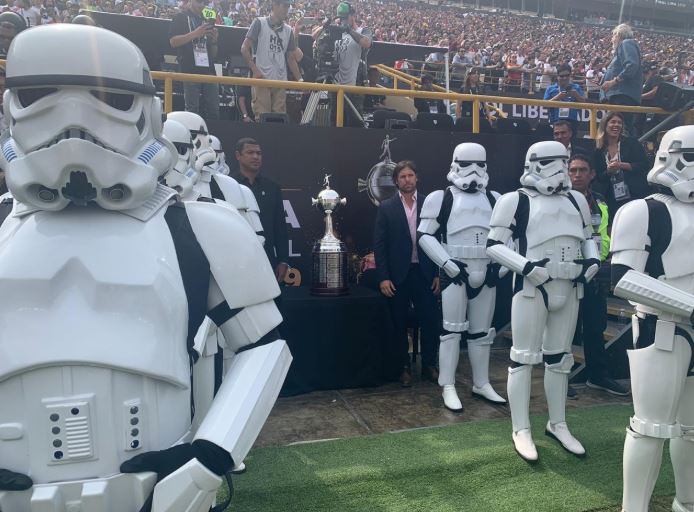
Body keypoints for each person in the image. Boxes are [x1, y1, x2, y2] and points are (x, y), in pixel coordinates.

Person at [0, 23, 291, 511]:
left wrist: (209, 458)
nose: (74, 122)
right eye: (40, 96)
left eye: (108, 99)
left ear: (149, 113)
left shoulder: (198, 227)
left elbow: (264, 348)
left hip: (161, 489)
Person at [487, 141, 600, 462]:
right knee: (523, 358)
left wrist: (592, 262)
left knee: (560, 359)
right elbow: (494, 245)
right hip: (531, 286)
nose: (562, 169)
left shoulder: (577, 200)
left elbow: (589, 237)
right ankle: (520, 427)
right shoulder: (515, 200)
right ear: (534, 162)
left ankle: (558, 422)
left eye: (565, 162)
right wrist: (525, 267)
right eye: (554, 162)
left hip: (569, 284)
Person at [610, 125, 694, 512]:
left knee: (692, 431)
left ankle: (687, 501)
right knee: (650, 428)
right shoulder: (642, 210)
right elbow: (623, 279)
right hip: (661, 329)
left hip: (681, 330)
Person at [417, 143, 507, 411]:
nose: (474, 171)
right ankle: (448, 384)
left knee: (481, 333)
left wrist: (500, 267)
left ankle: (481, 383)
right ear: (455, 164)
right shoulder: (440, 198)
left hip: (486, 269)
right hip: (455, 272)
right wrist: (446, 263)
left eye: (480, 165)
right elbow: (424, 235)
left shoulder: (495, 199)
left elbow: (507, 237)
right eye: (467, 164)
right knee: (451, 331)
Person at [567, 154, 629, 397]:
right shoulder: (559, 201)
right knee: (565, 330)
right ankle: (560, 379)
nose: (577, 175)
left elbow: (605, 233)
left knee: (595, 327)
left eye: (582, 170)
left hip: (597, 273)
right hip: (569, 274)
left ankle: (598, 375)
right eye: (573, 170)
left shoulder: (601, 200)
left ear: (592, 174)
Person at [373, 161, 440, 388]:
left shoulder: (430, 205)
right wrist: (383, 277)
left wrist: (439, 272)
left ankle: (430, 364)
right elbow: (379, 245)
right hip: (398, 275)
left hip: (425, 272)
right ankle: (403, 368)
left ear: (416, 178)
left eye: (411, 175)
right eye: (402, 176)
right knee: (398, 323)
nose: (407, 180)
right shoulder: (386, 207)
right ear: (396, 181)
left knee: (431, 320)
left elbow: (440, 240)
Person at [233, 137, 289, 283]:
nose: (256, 157)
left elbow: (280, 227)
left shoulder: (272, 187)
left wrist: (283, 260)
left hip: (268, 258)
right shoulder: (227, 186)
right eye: (250, 152)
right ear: (238, 156)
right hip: (236, 260)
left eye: (259, 153)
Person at [312, 1, 372, 126]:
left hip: (354, 86)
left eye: (345, 18)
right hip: (335, 84)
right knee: (334, 121)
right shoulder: (337, 31)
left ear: (353, 16)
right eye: (341, 18)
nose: (342, 21)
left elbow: (367, 43)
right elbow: (313, 36)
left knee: (354, 123)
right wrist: (326, 25)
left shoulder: (363, 30)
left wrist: (349, 30)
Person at [240, 0, 303, 117]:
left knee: (279, 120)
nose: (287, 9)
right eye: (284, 6)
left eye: (288, 6)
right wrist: (255, 70)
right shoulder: (259, 22)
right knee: (263, 118)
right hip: (262, 79)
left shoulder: (288, 30)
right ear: (274, 5)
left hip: (280, 81)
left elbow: (291, 58)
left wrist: (301, 81)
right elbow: (244, 48)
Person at [593, 111, 651, 223]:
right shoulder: (598, 149)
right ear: (605, 125)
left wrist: (622, 165)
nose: (616, 125)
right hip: (611, 197)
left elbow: (644, 165)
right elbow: (599, 176)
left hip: (634, 193)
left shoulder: (632, 143)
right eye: (613, 122)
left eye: (619, 123)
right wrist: (609, 171)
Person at [169, 0, 221, 119]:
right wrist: (195, 33)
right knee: (192, 110)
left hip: (209, 69)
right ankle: (191, 136)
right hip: (189, 68)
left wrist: (214, 40)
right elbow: (173, 42)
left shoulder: (207, 19)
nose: (202, 5)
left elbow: (213, 54)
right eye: (199, 2)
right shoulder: (180, 16)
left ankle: (213, 135)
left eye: (205, 3)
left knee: (214, 109)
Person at [600, 23, 642, 136]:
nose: (612, 39)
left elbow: (631, 65)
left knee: (621, 131)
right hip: (619, 96)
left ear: (619, 34)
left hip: (623, 97)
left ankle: (624, 152)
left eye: (613, 35)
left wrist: (613, 81)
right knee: (618, 131)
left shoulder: (626, 43)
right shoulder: (624, 47)